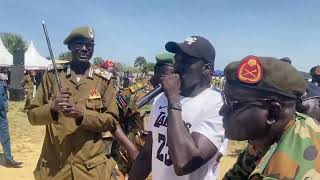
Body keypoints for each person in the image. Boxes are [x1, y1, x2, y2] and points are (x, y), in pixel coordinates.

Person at [27, 26, 120, 180]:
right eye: (79, 44)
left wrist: (82, 115)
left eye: (89, 45)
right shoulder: (52, 76)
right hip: (55, 168)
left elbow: (113, 120)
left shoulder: (103, 80)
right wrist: (52, 108)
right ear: (70, 46)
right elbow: (32, 116)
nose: (84, 49)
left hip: (90, 170)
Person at [129, 36, 225, 180]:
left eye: (186, 61)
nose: (178, 67)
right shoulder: (161, 98)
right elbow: (148, 152)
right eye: (177, 60)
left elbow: (184, 163)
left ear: (206, 68)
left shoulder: (217, 104)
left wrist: (173, 100)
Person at [221, 56, 320, 179]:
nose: (222, 111)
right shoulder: (267, 136)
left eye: (233, 104)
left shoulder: (287, 174)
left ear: (273, 113)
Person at [0, 72, 23, 168]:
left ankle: (9, 159)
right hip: (1, 114)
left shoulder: (2, 83)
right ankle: (9, 159)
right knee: (5, 136)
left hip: (2, 114)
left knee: (5, 136)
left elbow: (4, 97)